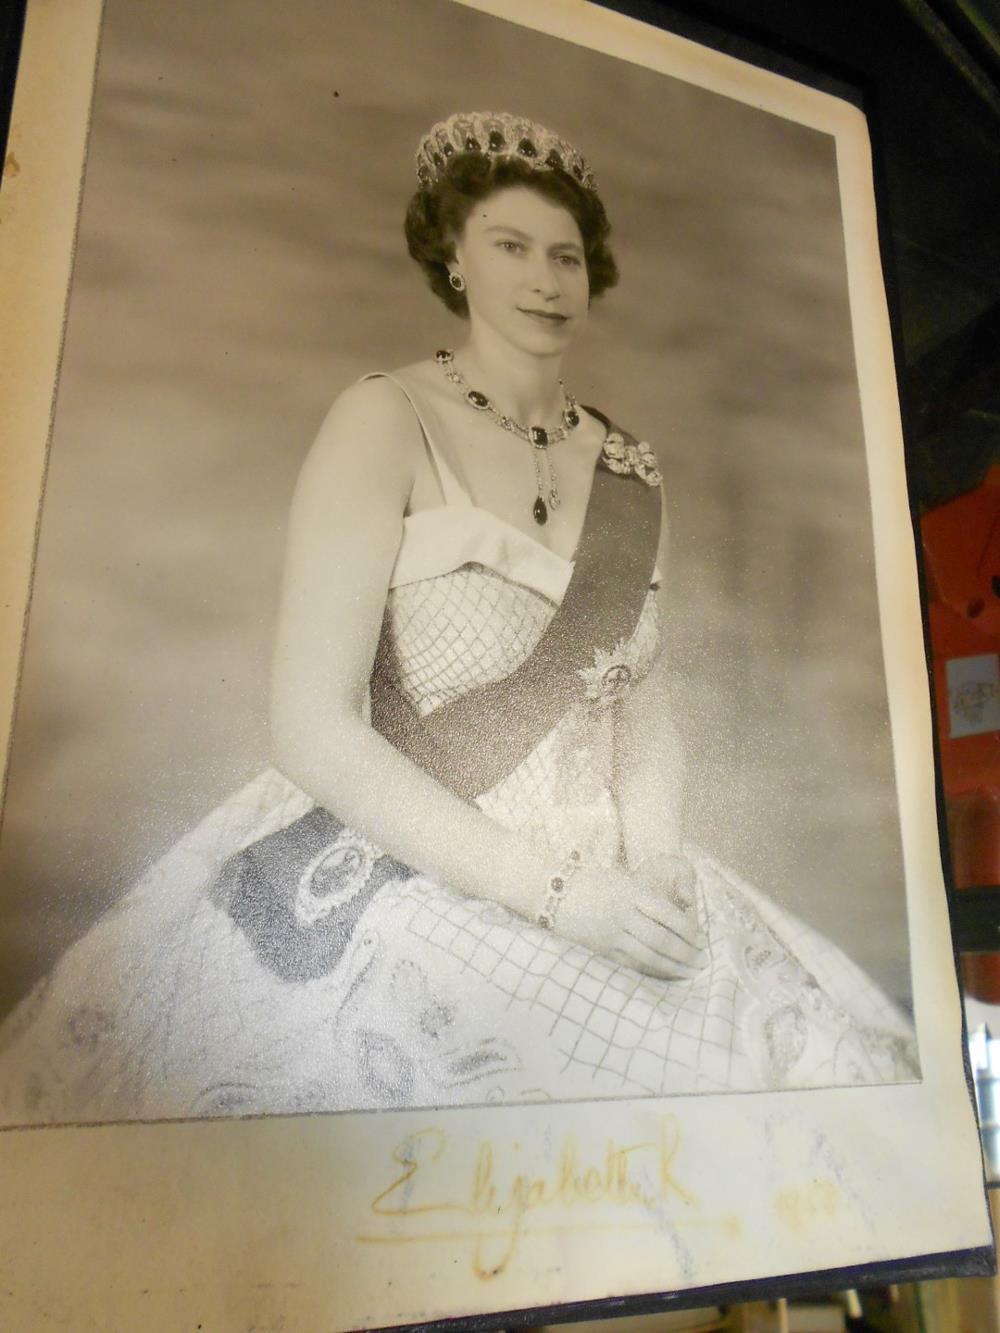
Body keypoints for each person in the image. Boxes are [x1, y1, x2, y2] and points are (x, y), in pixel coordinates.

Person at [0, 112, 917, 1126]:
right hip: (410, 868)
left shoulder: (631, 471)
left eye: (565, 256)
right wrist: (558, 897)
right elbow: (310, 725)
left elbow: (641, 723)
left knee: (806, 1067)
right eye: (510, 247)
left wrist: (654, 866)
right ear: (453, 257)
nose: (543, 279)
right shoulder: (383, 418)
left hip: (611, 876)